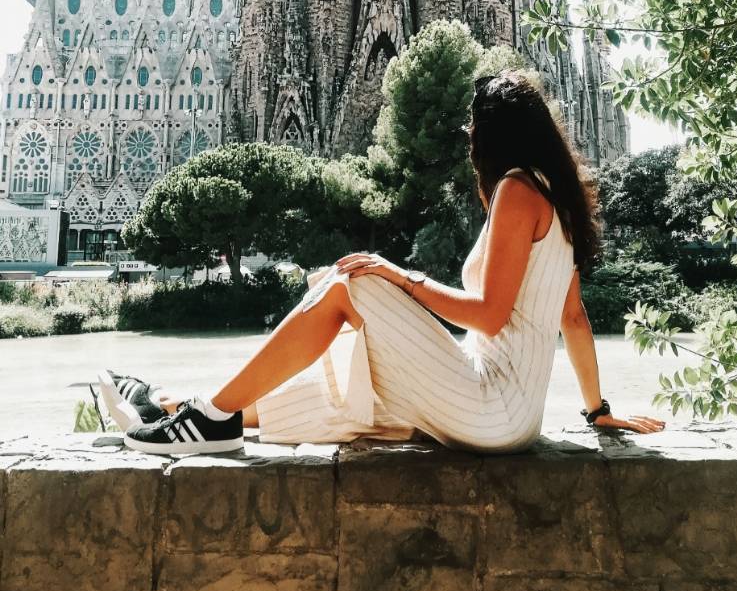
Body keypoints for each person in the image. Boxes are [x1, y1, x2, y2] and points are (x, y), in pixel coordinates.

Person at [107, 70, 665, 455]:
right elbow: (573, 320)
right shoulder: (557, 201)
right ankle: (173, 406)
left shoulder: (518, 191)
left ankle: (206, 422)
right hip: (513, 417)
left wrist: (404, 277)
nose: (469, 137)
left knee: (353, 284)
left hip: (490, 407)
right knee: (346, 387)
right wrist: (598, 412)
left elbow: (491, 316)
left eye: (475, 126)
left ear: (496, 134)